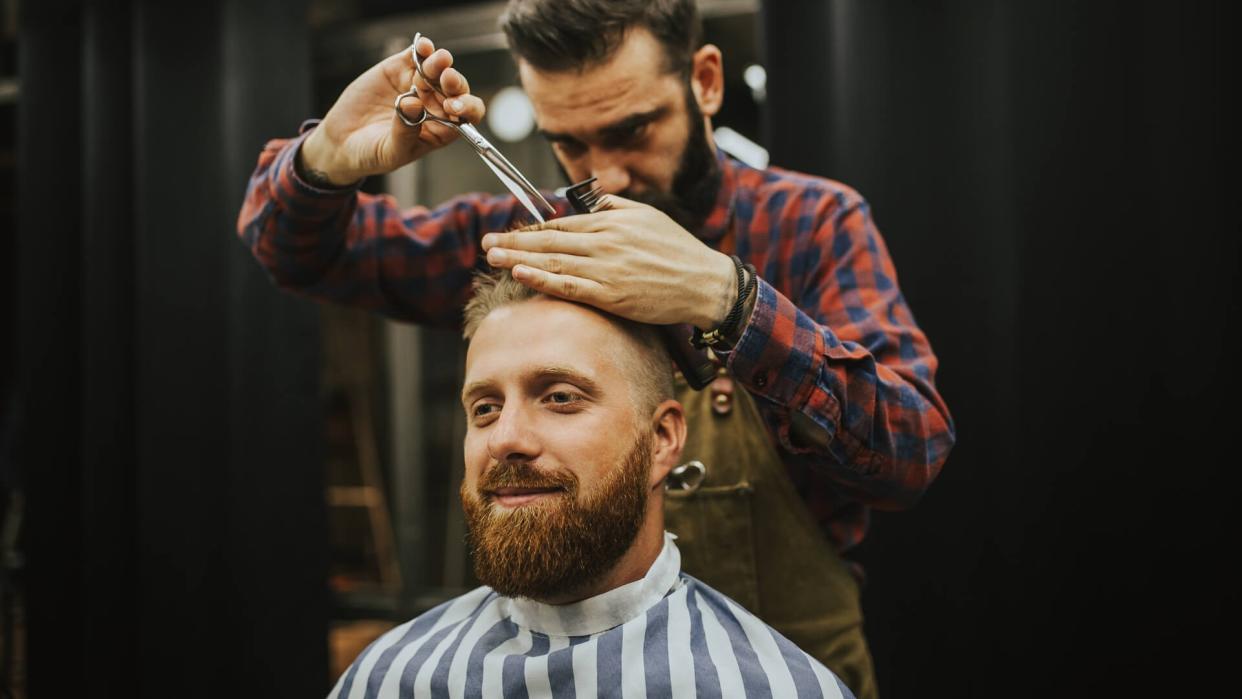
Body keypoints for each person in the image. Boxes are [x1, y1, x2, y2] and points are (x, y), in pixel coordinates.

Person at [237, 1, 955, 695]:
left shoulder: (811, 223)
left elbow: (912, 448)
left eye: (633, 130)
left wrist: (727, 298)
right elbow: (296, 250)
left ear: (705, 81)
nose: (602, 178)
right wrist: (330, 156)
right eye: (570, 143)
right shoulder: (535, 232)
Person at [329, 271, 854, 698]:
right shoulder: (390, 680)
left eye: (559, 397)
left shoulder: (780, 689)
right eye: (485, 408)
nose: (505, 438)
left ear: (662, 440)